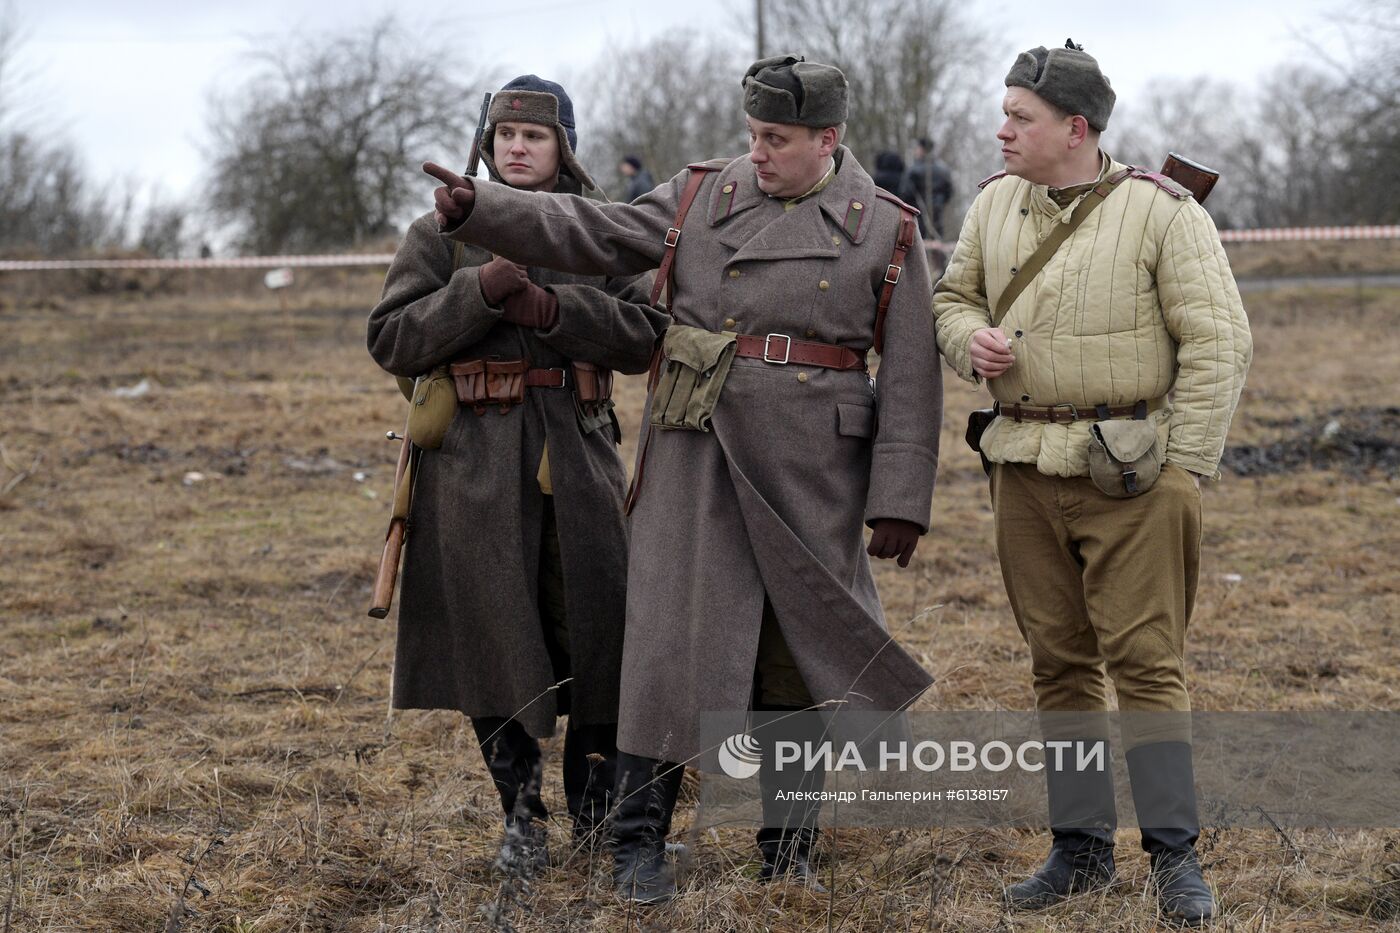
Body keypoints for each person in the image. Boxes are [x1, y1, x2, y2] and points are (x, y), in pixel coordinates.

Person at [425, 53, 941, 905]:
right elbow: (597, 232)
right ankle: (638, 845)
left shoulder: (885, 225)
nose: (758, 152)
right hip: (699, 444)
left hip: (817, 466)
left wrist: (901, 498)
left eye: (776, 139)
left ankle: (790, 850)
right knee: (666, 645)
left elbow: (914, 369)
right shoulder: (704, 193)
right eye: (752, 134)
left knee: (794, 656)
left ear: (829, 140)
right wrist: (490, 207)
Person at [932, 41, 1251, 926]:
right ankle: (1078, 850)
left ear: (1075, 129)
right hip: (1023, 470)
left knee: (1147, 667)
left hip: (1135, 477)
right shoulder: (993, 205)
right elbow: (950, 300)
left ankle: (1174, 857)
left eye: (1020, 118)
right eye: (1005, 114)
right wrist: (970, 342)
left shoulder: (1163, 212)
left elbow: (1221, 342)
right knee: (1058, 666)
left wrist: (1183, 468)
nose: (1002, 131)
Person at [366, 75, 666, 876]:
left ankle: (598, 817)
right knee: (491, 642)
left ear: (563, 144)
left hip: (579, 453)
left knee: (602, 636)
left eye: (535, 136)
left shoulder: (602, 230)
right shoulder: (441, 232)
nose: (519, 148)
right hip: (472, 465)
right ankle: (520, 818)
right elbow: (391, 338)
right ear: (488, 143)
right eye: (505, 136)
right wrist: (480, 290)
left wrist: (556, 312)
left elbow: (647, 336)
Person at [906, 137, 953, 239]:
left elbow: (906, 193)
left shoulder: (914, 170)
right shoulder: (944, 170)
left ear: (921, 149)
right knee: (936, 243)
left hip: (918, 215)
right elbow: (949, 191)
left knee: (920, 244)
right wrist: (940, 202)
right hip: (937, 214)